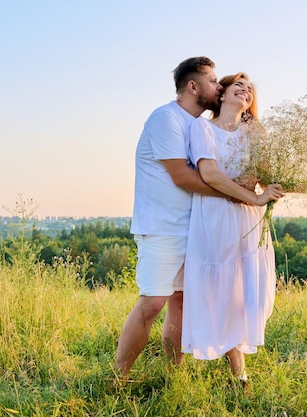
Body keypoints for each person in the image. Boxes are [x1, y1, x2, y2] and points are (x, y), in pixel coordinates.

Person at [115, 56, 228, 381]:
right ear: (193, 86)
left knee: (180, 303)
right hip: (161, 229)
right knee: (152, 304)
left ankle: (172, 375)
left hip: (192, 228)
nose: (218, 87)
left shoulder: (199, 126)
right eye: (212, 81)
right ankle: (117, 379)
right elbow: (181, 176)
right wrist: (234, 193)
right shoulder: (166, 118)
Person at [181, 72, 284, 383]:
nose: (245, 91)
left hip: (248, 224)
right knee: (220, 292)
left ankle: (239, 373)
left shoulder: (254, 134)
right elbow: (209, 174)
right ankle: (235, 374)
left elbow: (270, 181)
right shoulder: (203, 127)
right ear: (222, 94)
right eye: (238, 86)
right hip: (215, 217)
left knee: (248, 295)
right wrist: (254, 199)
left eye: (249, 89)